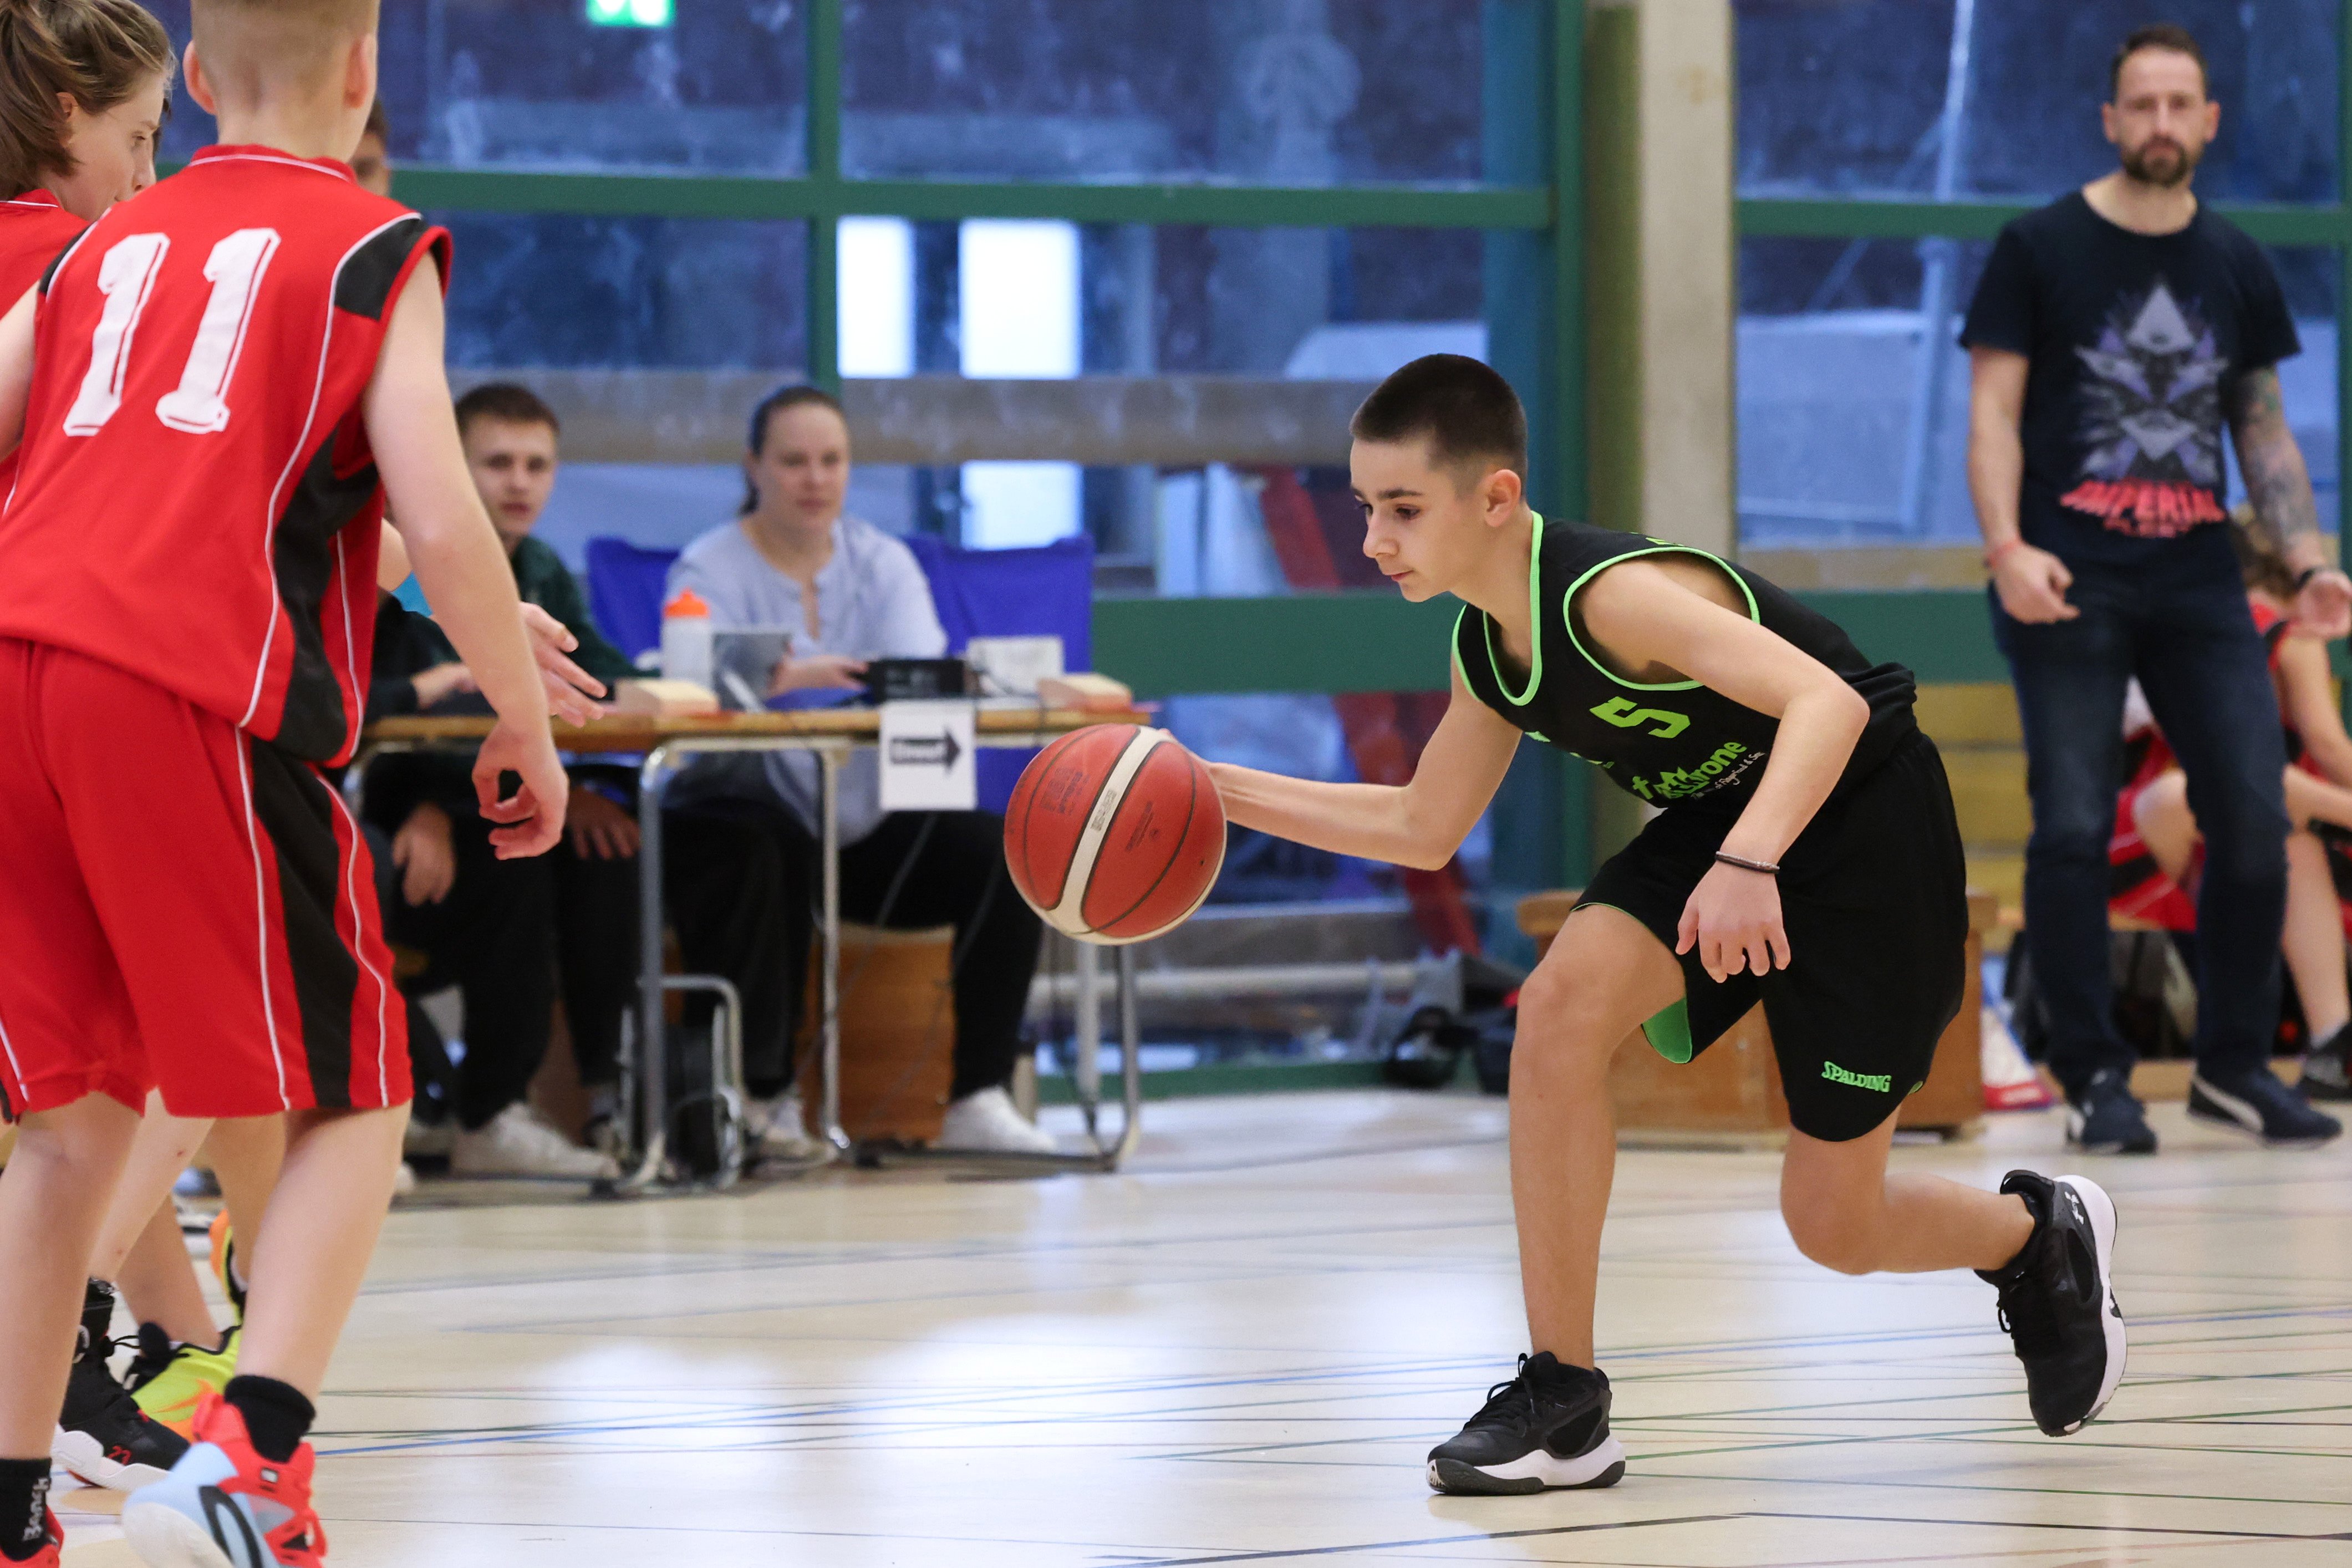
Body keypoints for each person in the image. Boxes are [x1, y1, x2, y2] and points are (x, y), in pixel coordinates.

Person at [1210, 354, 2124, 1495]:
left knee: (1832, 1225)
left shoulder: (1610, 597)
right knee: (1555, 1009)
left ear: (1494, 497)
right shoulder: (1486, 646)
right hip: (1726, 822)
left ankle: (2034, 1236)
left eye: (1402, 508)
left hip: (1864, 818)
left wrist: (1752, 858)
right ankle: (1563, 1399)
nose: (1373, 539)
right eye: (1364, 508)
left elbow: (1829, 702)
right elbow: (1421, 823)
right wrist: (1212, 787)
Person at [0, 1, 572, 1562]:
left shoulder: (99, 243)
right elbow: (442, 515)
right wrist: (521, 721)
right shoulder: (374, 248)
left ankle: (8, 1504)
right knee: (357, 1086)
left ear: (194, 79)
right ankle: (253, 1450)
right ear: (364, 73)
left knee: (72, 1120)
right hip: (180, 690)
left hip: (17, 680)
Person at [1963, 23, 2349, 1153]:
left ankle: (2234, 1066)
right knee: (2072, 824)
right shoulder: (2038, 247)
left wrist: (2309, 561)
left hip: (2198, 579)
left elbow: (2261, 432)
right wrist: (2004, 546)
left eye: (2182, 104)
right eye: (2142, 104)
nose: (2162, 123)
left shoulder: (2233, 261)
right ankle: (2092, 1073)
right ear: (2110, 118)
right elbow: (1992, 412)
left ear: (2210, 121)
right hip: (2066, 575)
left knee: (2256, 819)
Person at [371, 381, 805, 1170]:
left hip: (537, 792)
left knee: (739, 844)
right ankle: (504, 1109)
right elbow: (389, 710)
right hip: (425, 808)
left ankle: (741, 1096)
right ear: (452, 470)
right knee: (542, 863)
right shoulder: (403, 568)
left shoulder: (538, 566)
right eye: (497, 463)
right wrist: (429, 805)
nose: (519, 482)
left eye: (537, 465)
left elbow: (593, 676)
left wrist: (703, 689)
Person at [665, 385, 1055, 1154]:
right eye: (794, 461)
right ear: (753, 467)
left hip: (864, 824)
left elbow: (915, 675)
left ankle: (978, 1096)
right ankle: (766, 1098)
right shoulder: (707, 566)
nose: (815, 479)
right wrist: (807, 675)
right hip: (751, 818)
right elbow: (695, 688)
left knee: (999, 853)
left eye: (831, 461)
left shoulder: (885, 561)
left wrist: (789, 675)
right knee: (766, 846)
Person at [2111, 511, 2352, 1101]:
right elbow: (2328, 745)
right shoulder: (2287, 634)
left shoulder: (2167, 629)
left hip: (2139, 853)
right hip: (2191, 829)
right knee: (2257, 789)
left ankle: (2334, 1040)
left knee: (2274, 821)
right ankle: (2332, 1040)